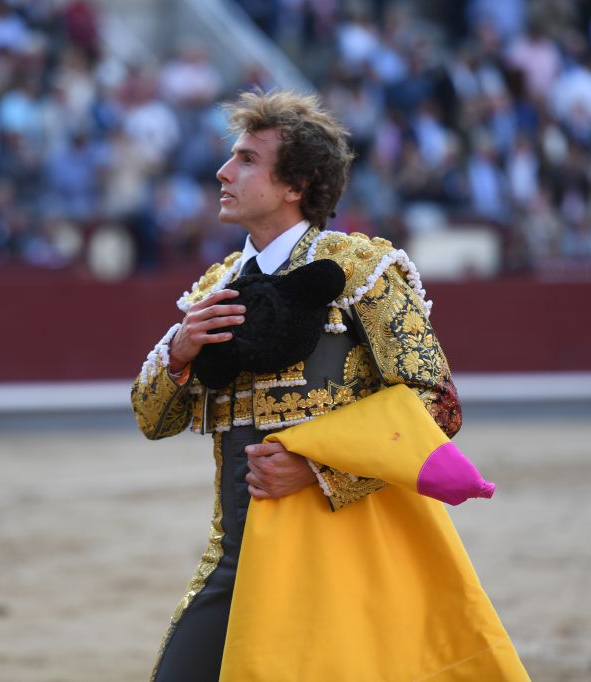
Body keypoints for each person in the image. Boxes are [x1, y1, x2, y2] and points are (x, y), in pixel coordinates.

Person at [130, 90, 526, 681]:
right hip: (239, 549)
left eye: (246, 160)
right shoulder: (214, 288)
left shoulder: (365, 271)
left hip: (338, 547)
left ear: (295, 186)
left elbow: (436, 403)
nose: (223, 171)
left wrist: (320, 470)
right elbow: (152, 419)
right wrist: (180, 354)